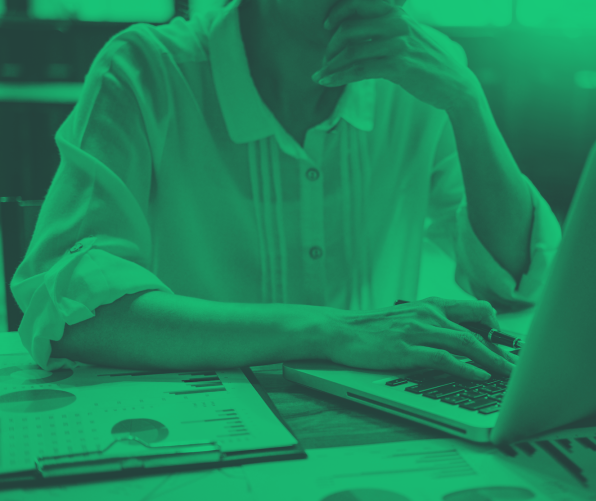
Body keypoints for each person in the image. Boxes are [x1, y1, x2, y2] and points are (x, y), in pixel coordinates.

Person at [11, 0, 562, 380]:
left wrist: (466, 101)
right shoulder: (146, 71)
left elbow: (515, 281)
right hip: (205, 434)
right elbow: (69, 309)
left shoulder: (420, 74)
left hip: (372, 427)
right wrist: (330, 330)